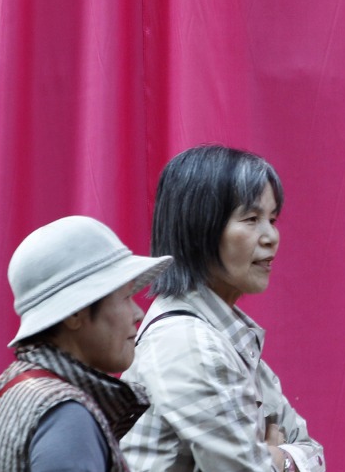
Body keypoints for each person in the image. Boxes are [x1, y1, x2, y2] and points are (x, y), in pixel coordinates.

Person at [122, 145, 324, 471]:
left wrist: (280, 458)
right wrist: (284, 460)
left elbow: (311, 449)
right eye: (251, 219)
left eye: (272, 219)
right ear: (198, 228)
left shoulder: (229, 336)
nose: (271, 236)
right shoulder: (187, 342)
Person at [0, 215, 172, 472]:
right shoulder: (67, 417)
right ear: (75, 313)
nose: (138, 314)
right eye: (126, 297)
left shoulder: (15, 387)